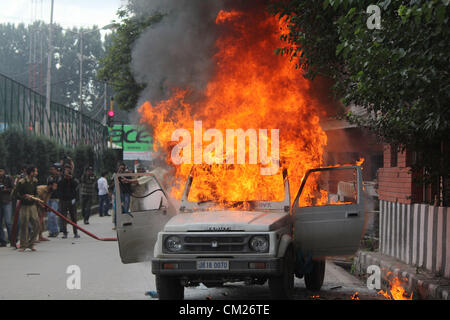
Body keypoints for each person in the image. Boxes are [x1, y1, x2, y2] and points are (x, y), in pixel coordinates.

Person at [15, 166, 40, 252]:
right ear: (31, 173)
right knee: (24, 226)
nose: (36, 173)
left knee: (37, 225)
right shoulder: (22, 182)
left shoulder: (35, 181)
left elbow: (36, 192)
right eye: (35, 171)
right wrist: (25, 198)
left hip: (33, 206)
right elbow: (15, 194)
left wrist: (35, 198)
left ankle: (31, 244)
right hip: (24, 206)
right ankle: (23, 245)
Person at [57, 166, 79, 239]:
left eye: (68, 171)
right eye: (66, 171)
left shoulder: (73, 179)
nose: (67, 172)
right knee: (64, 217)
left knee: (74, 217)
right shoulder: (61, 180)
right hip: (64, 201)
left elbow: (76, 187)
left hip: (72, 200)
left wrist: (71, 179)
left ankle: (75, 232)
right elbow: (59, 190)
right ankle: (64, 232)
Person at [0, 168, 14, 247]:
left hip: (7, 202)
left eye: (1, 171)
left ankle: (12, 239)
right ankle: (2, 241)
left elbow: (13, 188)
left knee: (8, 222)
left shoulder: (8, 178)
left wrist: (5, 189)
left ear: (4, 171)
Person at [46, 165, 61, 237]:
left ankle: (55, 230)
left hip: (56, 199)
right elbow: (48, 188)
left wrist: (52, 187)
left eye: (53, 169)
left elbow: (56, 188)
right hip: (49, 198)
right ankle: (51, 231)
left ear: (56, 170)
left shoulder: (59, 178)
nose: (52, 171)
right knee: (49, 216)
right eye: (51, 169)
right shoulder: (49, 178)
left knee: (53, 215)